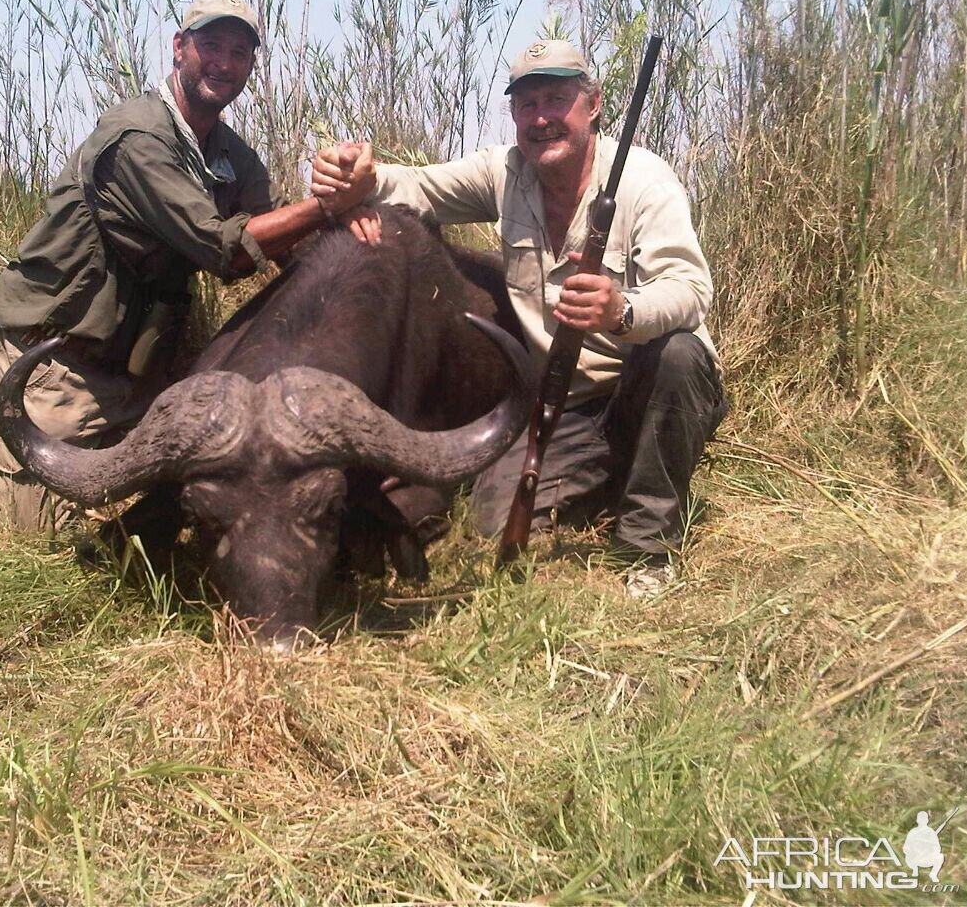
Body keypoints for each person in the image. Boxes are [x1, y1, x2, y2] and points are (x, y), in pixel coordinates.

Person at [311, 39, 727, 596]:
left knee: (677, 353)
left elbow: (692, 290)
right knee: (492, 520)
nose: (542, 119)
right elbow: (416, 186)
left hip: (648, 383)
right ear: (513, 114)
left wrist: (621, 310)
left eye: (557, 99)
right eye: (527, 105)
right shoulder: (505, 173)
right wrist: (357, 180)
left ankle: (646, 547)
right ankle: (630, 470)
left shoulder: (644, 181)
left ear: (593, 104)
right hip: (567, 402)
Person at [0, 0, 374, 530]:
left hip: (145, 366)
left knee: (181, 500)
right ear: (179, 48)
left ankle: (76, 436)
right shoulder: (137, 138)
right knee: (41, 525)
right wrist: (324, 205)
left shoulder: (235, 156)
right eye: (211, 45)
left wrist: (352, 218)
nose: (223, 63)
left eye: (240, 52)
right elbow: (220, 247)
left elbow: (280, 248)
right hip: (60, 358)